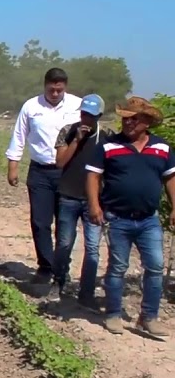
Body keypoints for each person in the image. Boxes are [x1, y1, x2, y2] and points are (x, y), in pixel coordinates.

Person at [85, 96, 174, 339]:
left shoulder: (162, 148)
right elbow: (93, 176)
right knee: (117, 268)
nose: (128, 122)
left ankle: (149, 317)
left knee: (155, 267)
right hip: (118, 219)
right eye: (125, 118)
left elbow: (170, 179)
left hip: (149, 220)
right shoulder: (108, 146)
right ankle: (113, 314)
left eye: (134, 119)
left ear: (146, 121)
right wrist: (94, 205)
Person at [4, 67, 83, 285]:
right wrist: (13, 166)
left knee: (65, 225)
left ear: (65, 86)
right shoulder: (31, 106)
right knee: (40, 222)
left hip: (68, 172)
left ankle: (61, 269)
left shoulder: (78, 106)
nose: (55, 94)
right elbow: (19, 136)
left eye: (59, 90)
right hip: (39, 171)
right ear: (45, 86)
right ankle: (45, 266)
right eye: (51, 90)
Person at [49, 93, 112, 306]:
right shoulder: (68, 131)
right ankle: (58, 281)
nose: (87, 119)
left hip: (93, 201)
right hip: (68, 195)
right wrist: (76, 140)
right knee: (65, 243)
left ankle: (86, 293)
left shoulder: (107, 136)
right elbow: (60, 162)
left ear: (99, 115)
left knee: (92, 248)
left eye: (91, 116)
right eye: (84, 114)